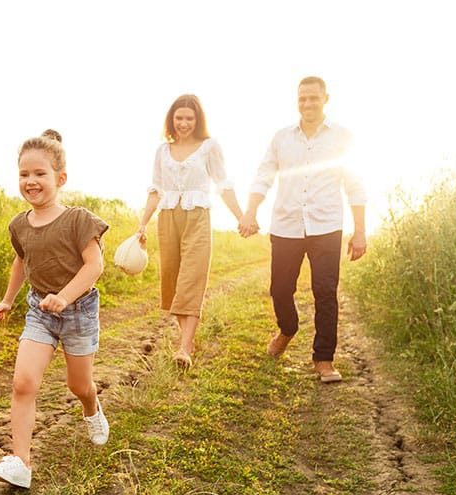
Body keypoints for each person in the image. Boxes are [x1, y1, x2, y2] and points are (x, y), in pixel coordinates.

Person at [0, 130, 110, 489]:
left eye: (40, 173)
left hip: (78, 311)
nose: (31, 181)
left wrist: (66, 297)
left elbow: (94, 266)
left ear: (60, 178)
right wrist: (8, 299)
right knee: (23, 382)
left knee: (79, 385)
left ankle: (92, 408)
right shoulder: (19, 225)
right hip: (40, 310)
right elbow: (21, 262)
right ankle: (20, 463)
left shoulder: (78, 219)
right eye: (24, 174)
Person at [239, 76, 367, 382]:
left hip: (327, 226)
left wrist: (359, 229)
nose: (307, 104)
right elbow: (264, 175)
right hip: (286, 224)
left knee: (325, 292)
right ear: (297, 102)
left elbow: (355, 185)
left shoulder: (342, 138)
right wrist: (250, 211)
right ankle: (287, 329)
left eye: (313, 98)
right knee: (280, 289)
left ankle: (324, 359)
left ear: (326, 99)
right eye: (302, 99)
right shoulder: (282, 138)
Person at [137, 94, 245, 369]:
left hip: (198, 216)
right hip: (168, 217)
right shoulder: (162, 151)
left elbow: (223, 184)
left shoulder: (209, 147)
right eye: (179, 118)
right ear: (171, 120)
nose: (184, 123)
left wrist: (241, 217)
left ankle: (184, 348)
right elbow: (156, 189)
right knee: (172, 282)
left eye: (189, 118)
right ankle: (188, 339)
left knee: (192, 278)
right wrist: (142, 223)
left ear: (198, 121)